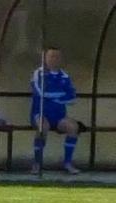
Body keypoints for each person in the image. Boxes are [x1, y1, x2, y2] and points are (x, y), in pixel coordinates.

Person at [30, 46, 81, 175]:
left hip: (59, 116)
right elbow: (41, 92)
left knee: (73, 127)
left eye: (57, 56)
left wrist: (56, 98)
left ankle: (67, 163)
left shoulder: (64, 76)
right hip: (40, 113)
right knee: (43, 126)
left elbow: (72, 98)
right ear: (45, 58)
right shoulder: (39, 73)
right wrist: (60, 95)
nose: (54, 59)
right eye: (51, 56)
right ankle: (37, 163)